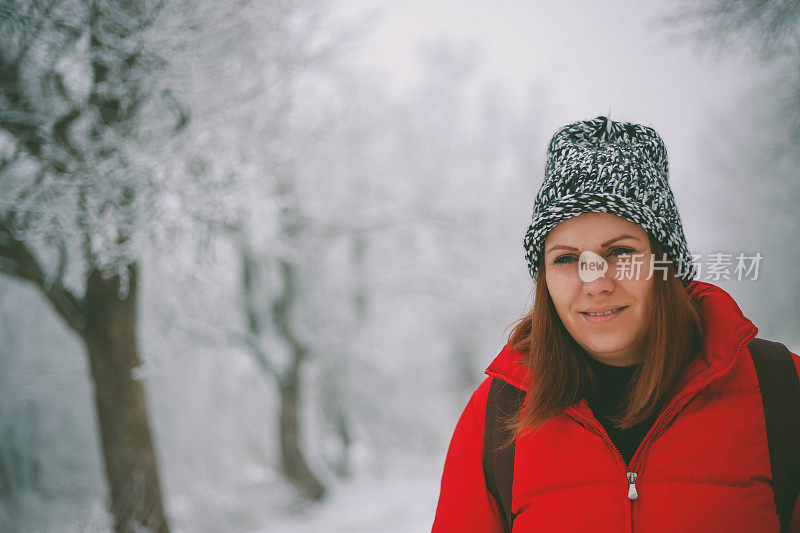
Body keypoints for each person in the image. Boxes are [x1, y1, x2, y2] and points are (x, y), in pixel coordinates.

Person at [431, 116, 800, 532]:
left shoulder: (780, 390)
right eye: (567, 258)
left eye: (621, 252)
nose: (596, 283)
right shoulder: (497, 415)